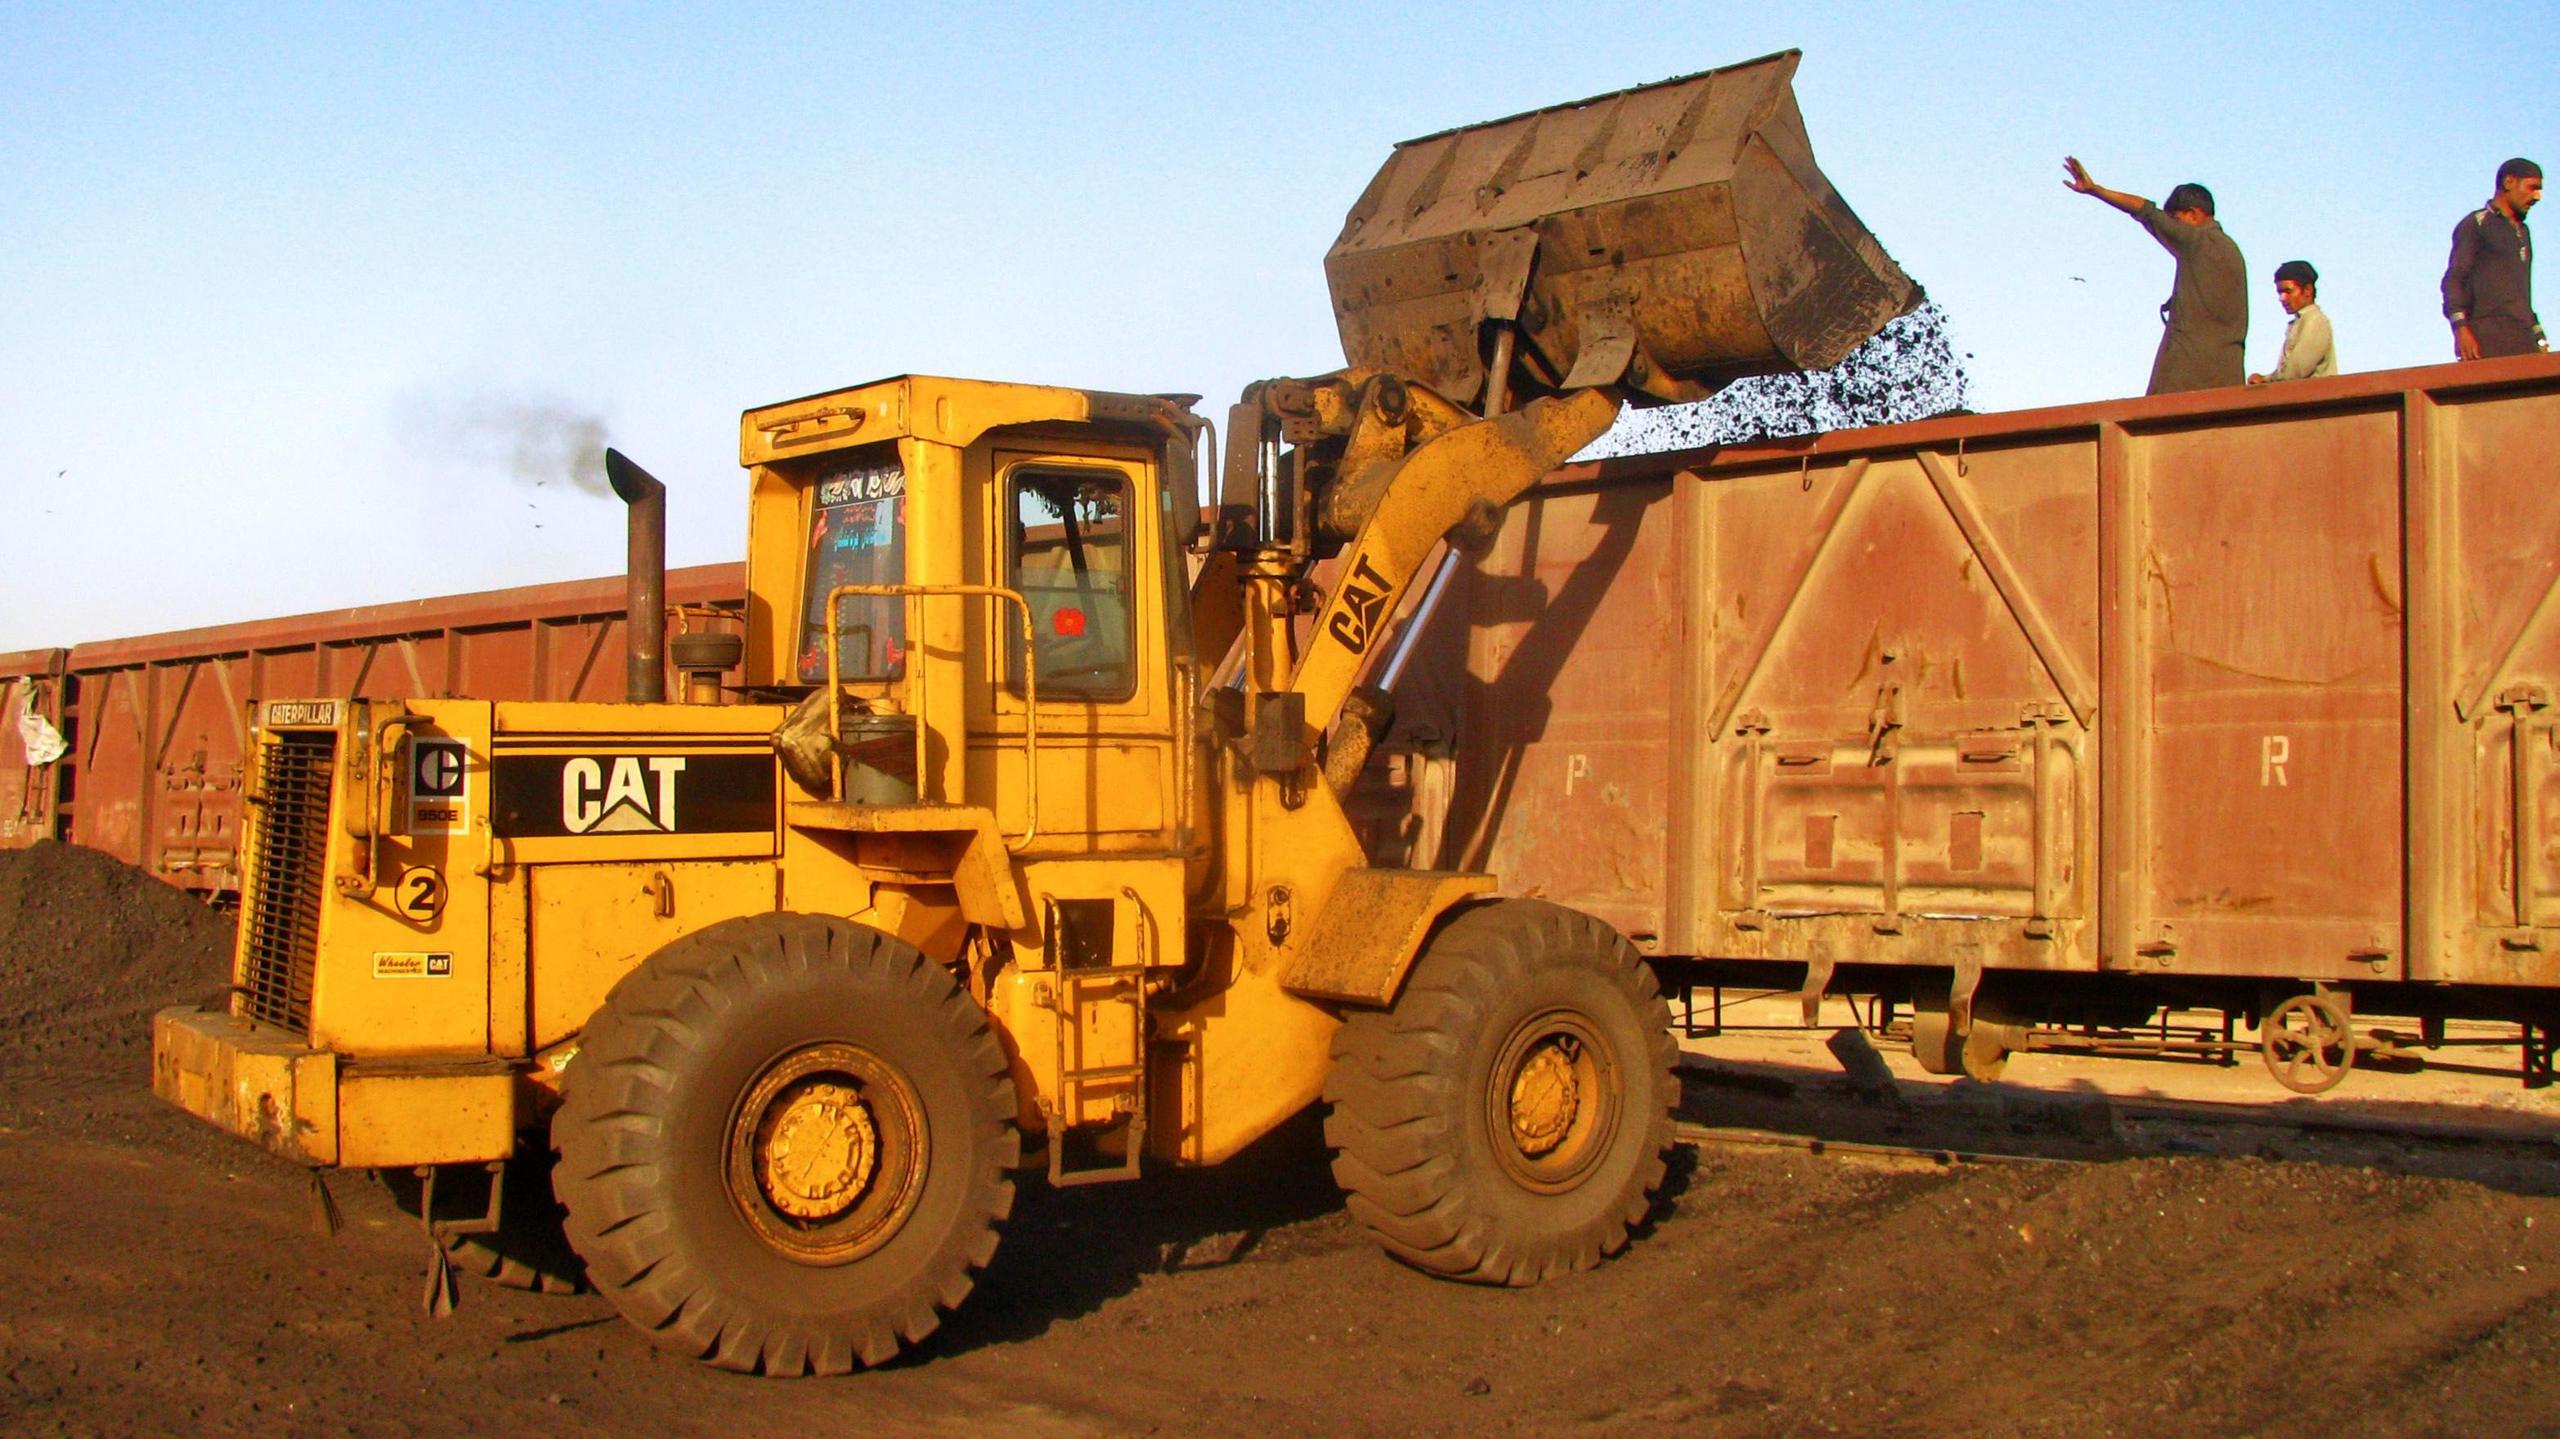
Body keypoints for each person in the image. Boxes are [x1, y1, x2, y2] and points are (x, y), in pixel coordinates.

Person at [2063, 157, 2249, 394]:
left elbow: (2146, 211)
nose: (2174, 228)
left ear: (2193, 214)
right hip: (2227, 379)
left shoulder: (2196, 241)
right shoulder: (2231, 252)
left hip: (2185, 379)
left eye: (2176, 221)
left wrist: (2096, 190)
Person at [2443, 158, 2544, 360]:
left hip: (2523, 338)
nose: (2537, 196)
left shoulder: (2523, 232)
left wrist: (2539, 336)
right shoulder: (2476, 224)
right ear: (2509, 182)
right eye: (2532, 187)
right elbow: (2454, 280)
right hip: (2487, 337)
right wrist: (2460, 328)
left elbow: (2521, 294)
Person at [2249, 260, 2337, 384]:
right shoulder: (2300, 322)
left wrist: (2265, 380)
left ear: (2307, 290)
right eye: (2280, 293)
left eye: (2288, 291)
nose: (2282, 298)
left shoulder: (2315, 320)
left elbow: (2296, 370)